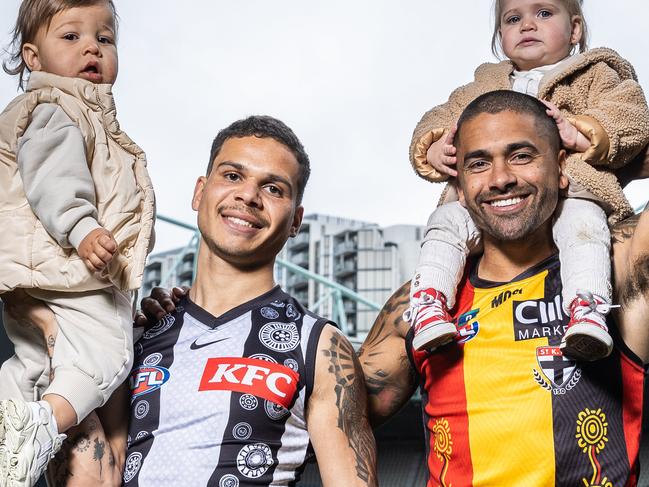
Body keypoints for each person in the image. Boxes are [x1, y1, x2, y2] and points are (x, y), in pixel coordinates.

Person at [26, 116, 377, 486]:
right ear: (199, 193)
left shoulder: (319, 347)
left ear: (295, 222)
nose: (248, 196)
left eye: (273, 188)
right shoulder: (135, 335)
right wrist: (48, 322)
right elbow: (97, 473)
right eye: (232, 176)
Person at [360, 91, 649, 486]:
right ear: (459, 185)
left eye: (522, 155)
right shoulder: (421, 302)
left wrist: (601, 152)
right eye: (478, 163)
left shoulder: (615, 270)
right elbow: (335, 419)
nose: (500, 179)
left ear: (562, 167)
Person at [405, 0, 649, 361]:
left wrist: (586, 133)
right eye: (513, 18)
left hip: (574, 190)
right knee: (444, 223)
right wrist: (434, 145)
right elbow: (438, 116)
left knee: (585, 227)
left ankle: (587, 310)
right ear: (500, 35)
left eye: (544, 13)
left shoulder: (596, 73)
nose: (528, 25)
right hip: (489, 214)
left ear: (576, 30)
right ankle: (429, 305)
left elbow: (630, 115)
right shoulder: (482, 85)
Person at [0, 0, 155, 485]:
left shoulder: (83, 115)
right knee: (109, 355)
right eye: (70, 37)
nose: (92, 47)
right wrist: (81, 227)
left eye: (104, 39)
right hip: (71, 271)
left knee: (35, 364)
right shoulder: (56, 108)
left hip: (39, 275)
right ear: (33, 57)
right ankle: (39, 426)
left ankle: (14, 424)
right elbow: (54, 177)